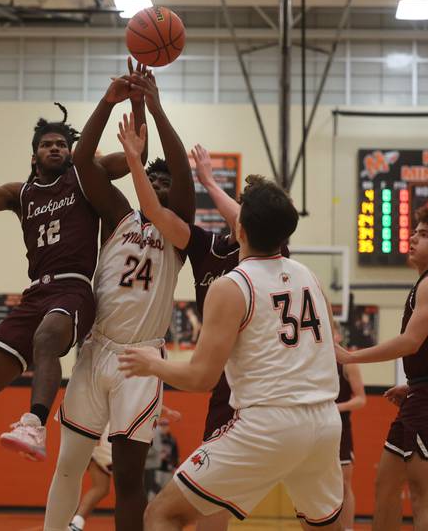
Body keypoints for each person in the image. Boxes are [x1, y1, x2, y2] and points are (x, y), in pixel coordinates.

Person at [0, 94, 147, 527]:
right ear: (35, 154)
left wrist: (136, 104)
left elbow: (136, 155)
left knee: (46, 340)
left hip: (74, 289)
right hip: (34, 295)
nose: (56, 148)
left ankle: (35, 422)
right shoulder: (19, 194)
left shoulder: (83, 178)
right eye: (48, 144)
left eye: (62, 143)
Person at [119, 174, 344, 530]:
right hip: (326, 422)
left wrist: (151, 364)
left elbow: (200, 377)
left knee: (162, 513)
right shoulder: (309, 276)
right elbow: (331, 347)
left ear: (239, 228)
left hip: (269, 425)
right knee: (324, 527)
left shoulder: (233, 284)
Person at [43, 69, 194, 531]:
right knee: (69, 463)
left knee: (128, 476)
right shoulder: (119, 216)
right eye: (156, 179)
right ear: (142, 183)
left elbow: (181, 169)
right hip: (97, 348)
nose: (164, 184)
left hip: (141, 358)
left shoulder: (180, 231)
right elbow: (83, 160)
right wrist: (111, 101)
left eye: (169, 182)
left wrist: (154, 106)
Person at [336, 206, 428, 531]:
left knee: (424, 497)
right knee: (385, 486)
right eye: (415, 232)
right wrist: (414, 386)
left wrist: (351, 357)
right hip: (425, 395)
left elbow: (410, 342)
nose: (412, 238)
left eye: (424, 234)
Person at [332, 322, 366, 531]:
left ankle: (347, 529)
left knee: (344, 484)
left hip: (340, 429)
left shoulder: (347, 363)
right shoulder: (312, 360)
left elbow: (361, 399)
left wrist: (336, 408)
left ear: (338, 336)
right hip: (314, 428)